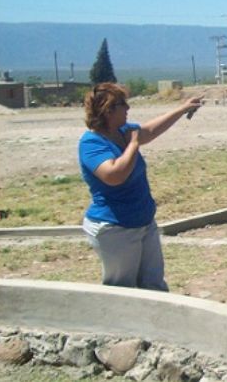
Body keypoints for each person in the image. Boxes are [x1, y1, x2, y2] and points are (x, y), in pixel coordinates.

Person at [79, 82, 202, 290]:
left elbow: (151, 129)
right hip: (114, 228)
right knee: (122, 289)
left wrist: (183, 109)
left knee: (154, 286)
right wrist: (134, 144)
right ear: (108, 110)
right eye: (122, 104)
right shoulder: (92, 143)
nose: (128, 108)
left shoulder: (123, 132)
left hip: (143, 222)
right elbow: (114, 175)